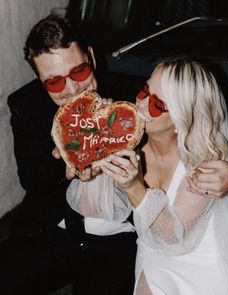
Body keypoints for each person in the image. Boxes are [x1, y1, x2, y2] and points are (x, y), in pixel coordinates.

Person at [67, 58, 228, 294]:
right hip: (154, 254)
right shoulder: (129, 143)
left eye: (158, 105)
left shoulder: (202, 162)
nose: (143, 104)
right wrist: (93, 155)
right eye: (145, 90)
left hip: (200, 263)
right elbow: (91, 208)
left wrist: (134, 187)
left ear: (182, 118)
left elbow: (172, 240)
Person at [0, 15, 137, 295]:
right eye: (54, 83)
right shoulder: (25, 105)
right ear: (41, 81)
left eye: (79, 72)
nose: (73, 89)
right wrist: (60, 153)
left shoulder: (131, 95)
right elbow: (32, 180)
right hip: (54, 226)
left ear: (92, 58)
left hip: (116, 235)